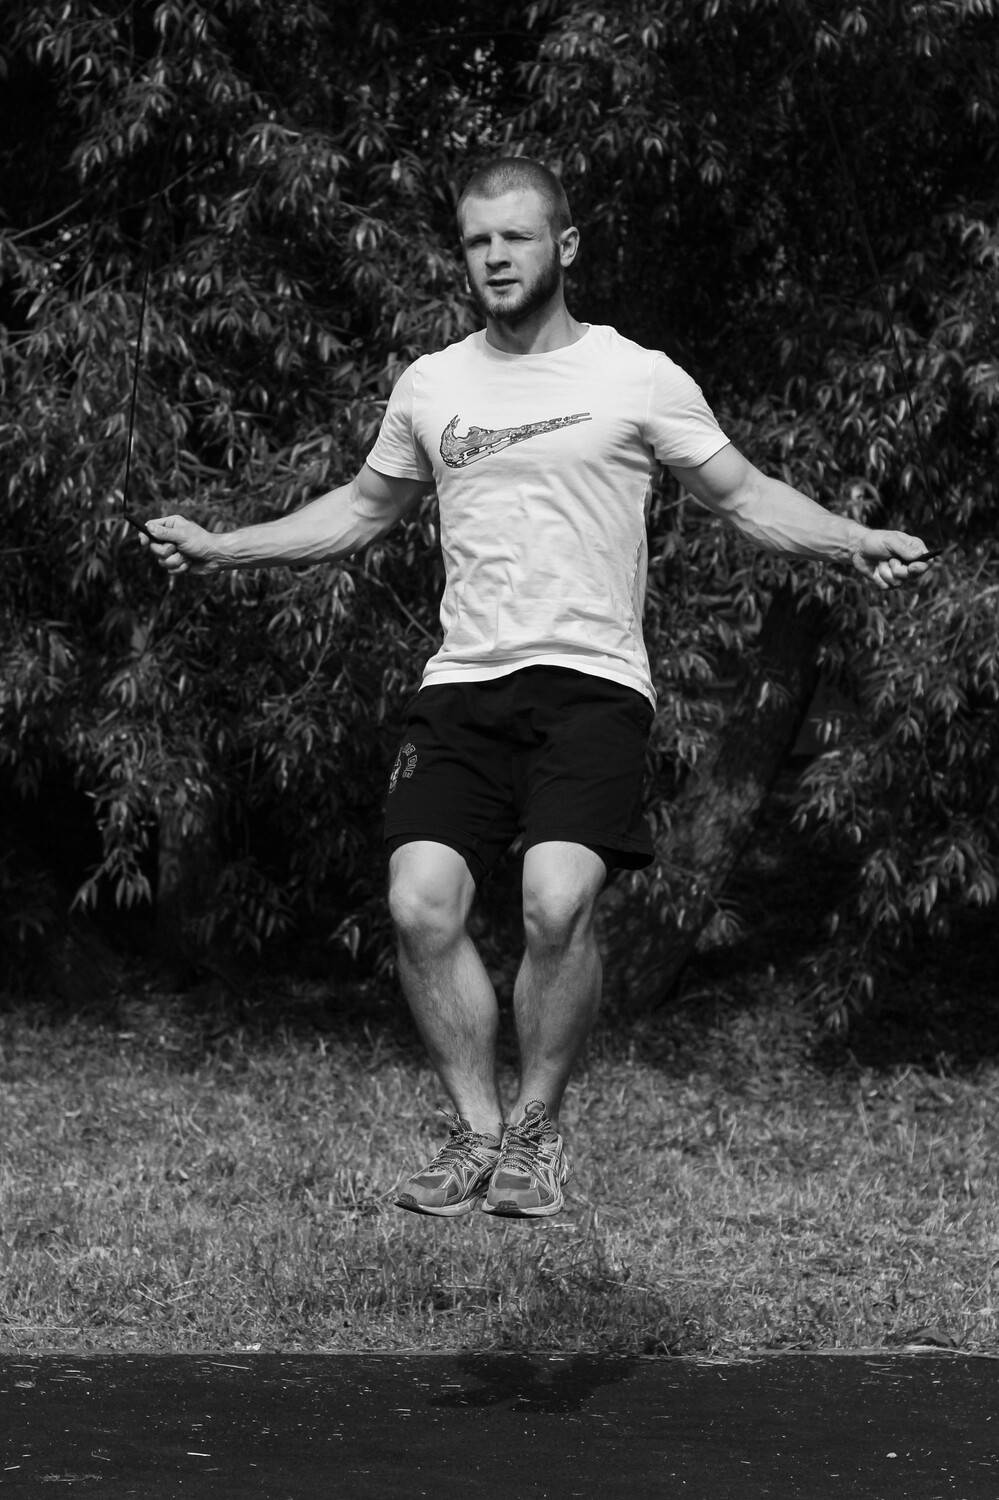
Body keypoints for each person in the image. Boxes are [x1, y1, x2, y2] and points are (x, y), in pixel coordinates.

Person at [143, 157, 930, 1221]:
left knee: (557, 901)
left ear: (564, 246)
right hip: (463, 682)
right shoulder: (433, 385)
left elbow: (743, 496)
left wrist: (850, 540)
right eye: (478, 241)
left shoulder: (635, 376)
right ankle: (478, 1134)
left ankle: (538, 1130)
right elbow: (360, 511)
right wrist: (224, 547)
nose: (496, 257)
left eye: (516, 237)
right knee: (419, 905)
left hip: (592, 683)